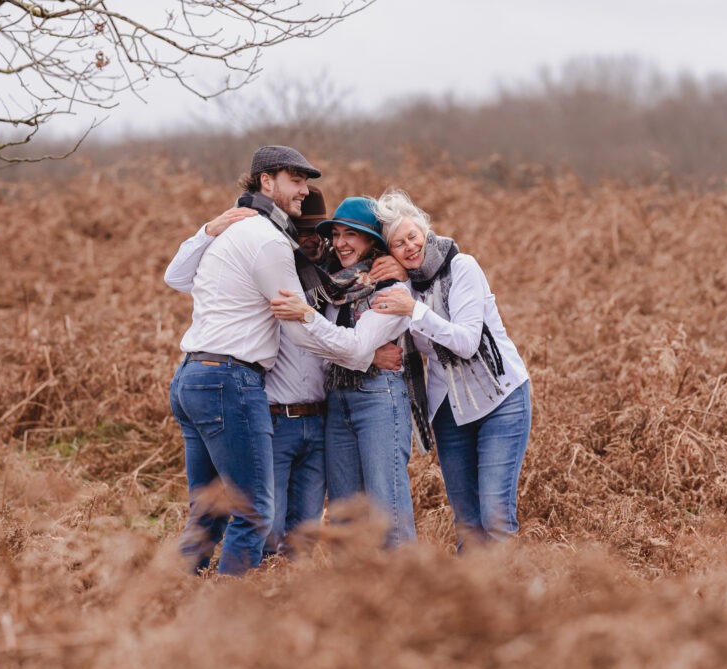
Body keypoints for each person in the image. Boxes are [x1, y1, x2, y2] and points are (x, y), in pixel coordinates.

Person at [167, 145, 405, 576]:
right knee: (255, 512)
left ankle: (168, 596)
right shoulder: (269, 243)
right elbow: (299, 328)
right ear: (266, 181)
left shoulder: (251, 239)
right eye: (296, 181)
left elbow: (178, 277)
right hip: (231, 381)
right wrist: (362, 353)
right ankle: (233, 612)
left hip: (195, 375)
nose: (303, 190)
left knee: (209, 512)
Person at [370, 189, 532, 550]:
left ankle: (510, 602)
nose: (410, 247)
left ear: (426, 230)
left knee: (495, 518)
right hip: (449, 411)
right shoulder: (403, 288)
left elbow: (466, 342)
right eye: (398, 244)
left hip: (500, 399)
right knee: (468, 524)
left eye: (413, 236)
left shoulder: (462, 267)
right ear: (390, 253)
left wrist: (413, 309)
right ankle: (469, 602)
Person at [270, 196, 421, 547]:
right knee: (342, 516)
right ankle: (349, 597)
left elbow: (351, 344)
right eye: (335, 234)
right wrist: (366, 357)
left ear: (373, 242)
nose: (339, 243)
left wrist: (307, 317)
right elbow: (328, 351)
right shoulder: (330, 287)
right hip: (336, 402)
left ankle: (408, 596)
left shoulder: (391, 288)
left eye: (351, 234)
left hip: (379, 399)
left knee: (389, 511)